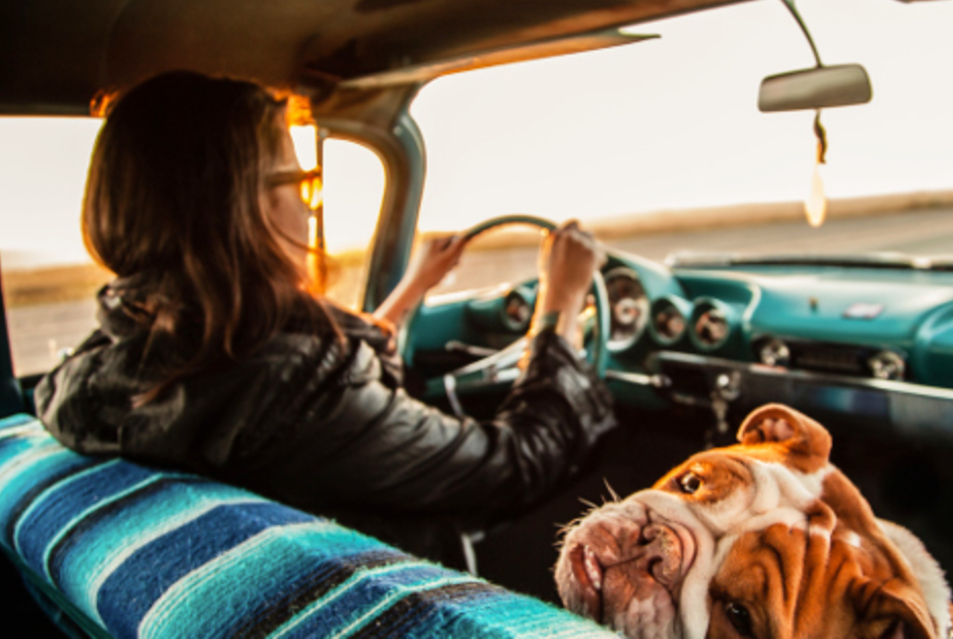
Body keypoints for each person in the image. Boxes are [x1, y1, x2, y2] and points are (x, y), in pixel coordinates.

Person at [34, 71, 617, 564]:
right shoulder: (295, 390)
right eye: (298, 180)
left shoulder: (107, 367)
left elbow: (325, 394)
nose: (308, 203)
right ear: (248, 204)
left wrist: (411, 290)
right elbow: (518, 462)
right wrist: (561, 302)